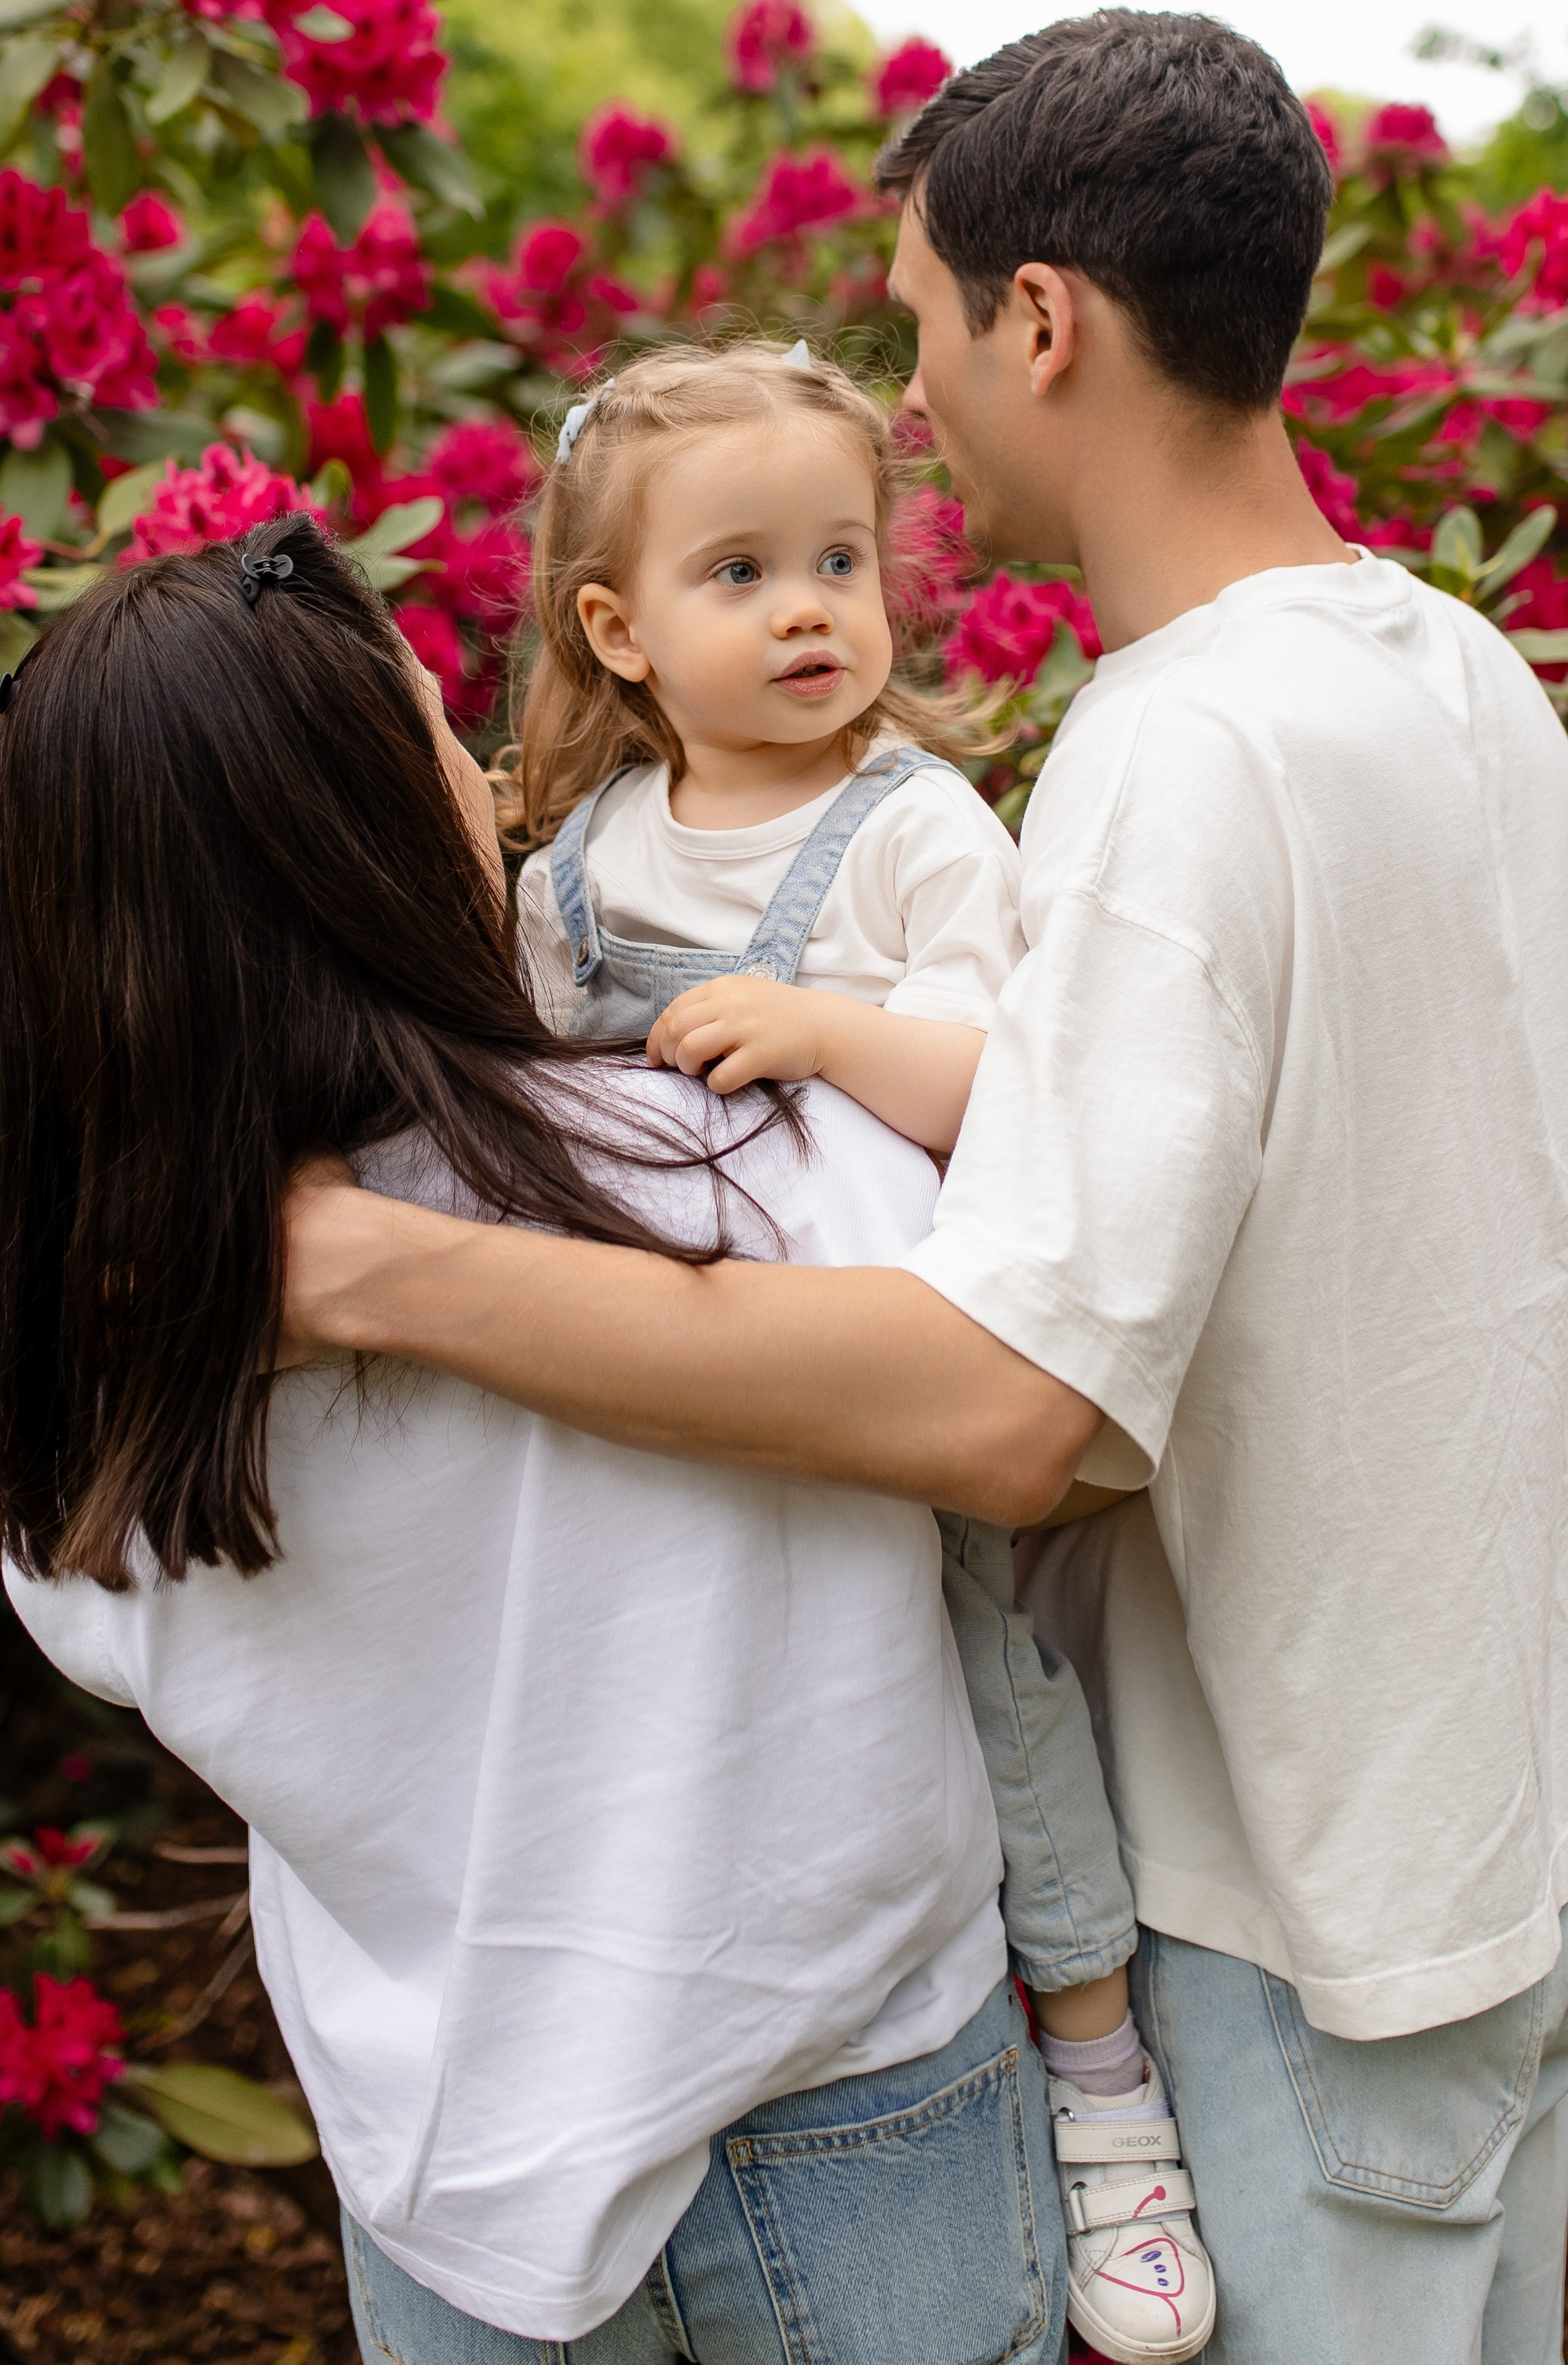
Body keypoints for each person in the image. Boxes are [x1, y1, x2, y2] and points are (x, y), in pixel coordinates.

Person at [279, 10, 1568, 2364]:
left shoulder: (1177, 756)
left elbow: (1007, 1413)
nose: (924, 402)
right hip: (1490, 1864)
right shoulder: (1470, 681)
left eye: (922, 323)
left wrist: (368, 1267)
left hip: (1276, 1913)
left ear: (1043, 320)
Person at [0, 520, 1072, 2365]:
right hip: (849, 2091)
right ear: (359, 843)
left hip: (454, 2159)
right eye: (438, 745)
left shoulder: (109, 1362)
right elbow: (1027, 1411)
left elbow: (103, 1634)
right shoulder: (734, 1160)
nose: (490, 779)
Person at [506, 329, 1211, 2360]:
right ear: (617, 632)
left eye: (838, 559)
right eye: (739, 576)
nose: (810, 609)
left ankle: (1099, 2089)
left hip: (890, 1389)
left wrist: (826, 1031)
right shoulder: (586, 866)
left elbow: (1018, 1083)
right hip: (680, 1408)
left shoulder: (915, 832)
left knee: (991, 1683)